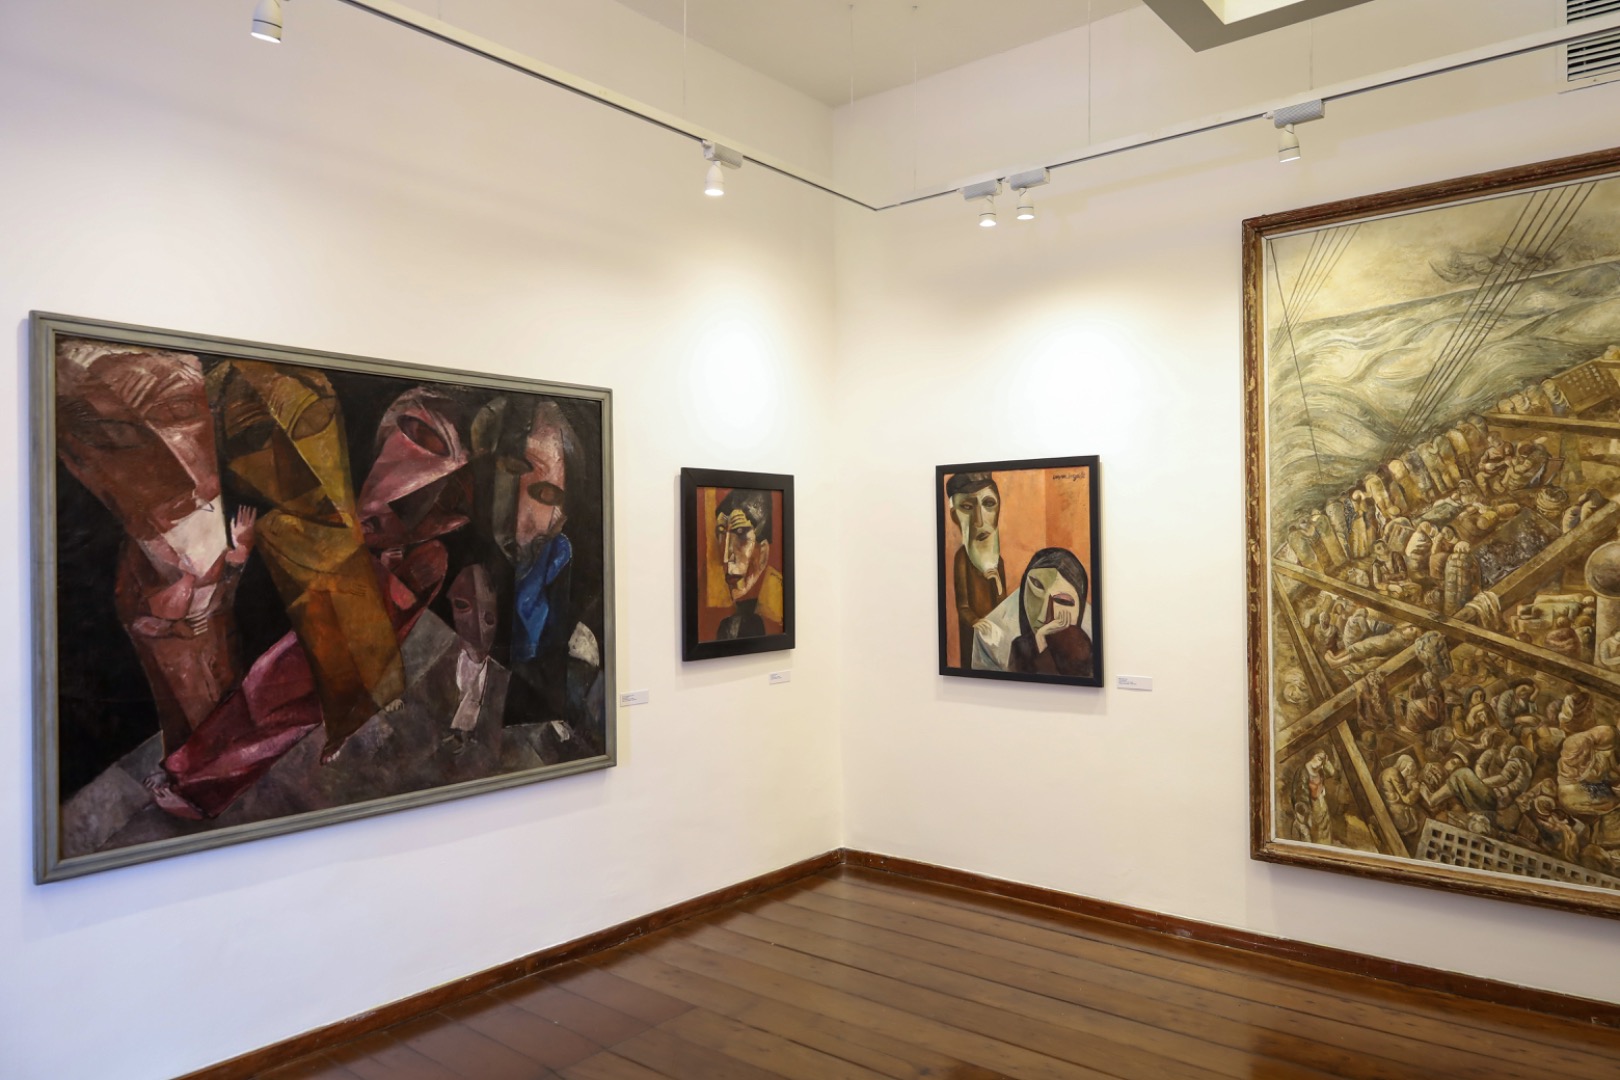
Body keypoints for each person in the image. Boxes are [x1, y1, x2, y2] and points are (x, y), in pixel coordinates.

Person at [946, 472, 1007, 666]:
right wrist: (976, 623)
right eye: (967, 507)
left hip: (996, 634)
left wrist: (998, 583)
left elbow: (1003, 606)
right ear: (954, 515)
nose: (979, 521)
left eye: (989, 504)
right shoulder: (962, 559)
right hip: (973, 634)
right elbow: (963, 607)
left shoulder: (999, 561)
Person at [1007, 548, 1093, 678]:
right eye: (1037, 586)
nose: (1043, 615)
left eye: (1062, 601)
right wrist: (1040, 638)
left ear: (1079, 610)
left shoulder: (1083, 651)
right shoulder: (1020, 647)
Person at [713, 487, 782, 640]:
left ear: (763, 554)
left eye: (740, 535)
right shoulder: (730, 624)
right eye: (721, 535)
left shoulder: (776, 618)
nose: (726, 558)